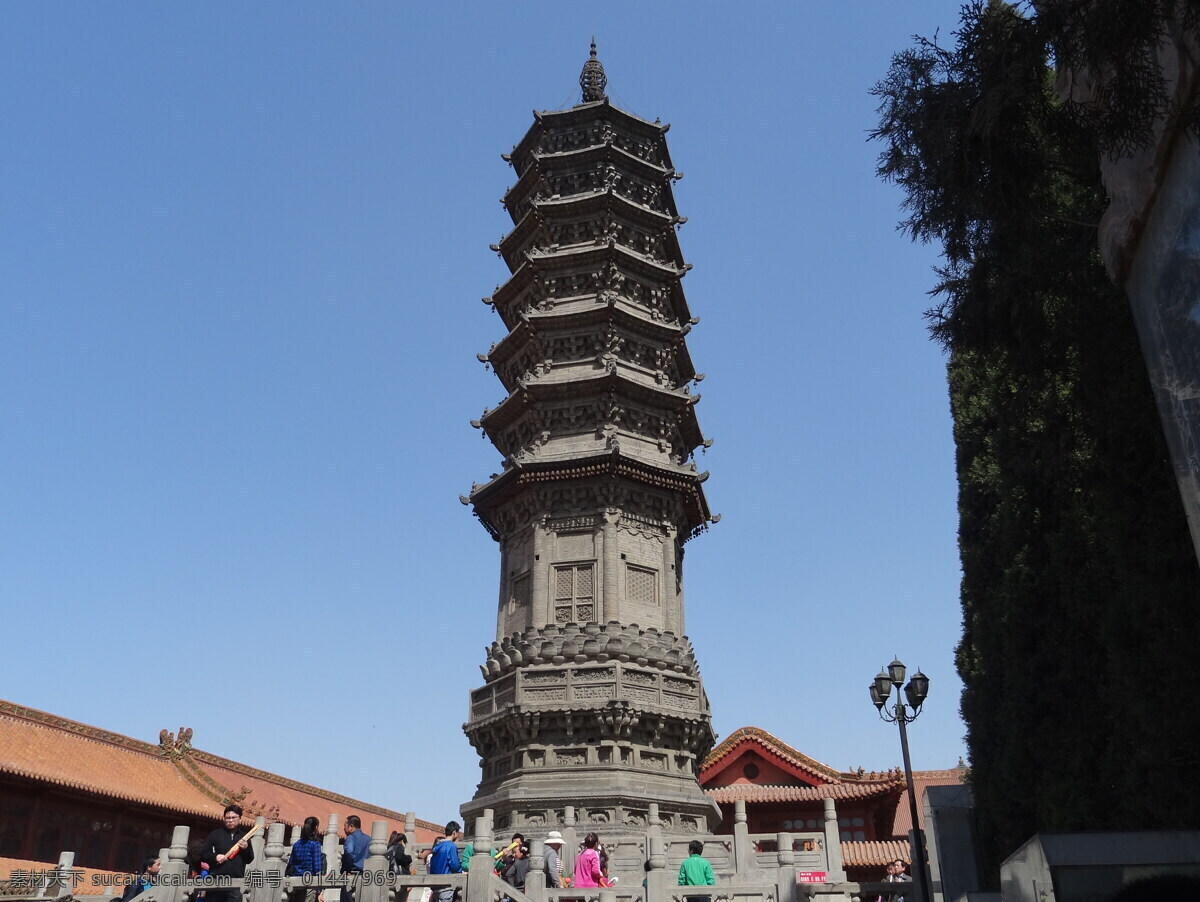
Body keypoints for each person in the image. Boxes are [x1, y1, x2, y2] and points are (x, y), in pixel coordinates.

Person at [202, 805, 256, 902]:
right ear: (224, 819)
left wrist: (246, 848)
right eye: (227, 818)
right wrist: (215, 857)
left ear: (240, 819)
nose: (230, 820)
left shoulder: (244, 837)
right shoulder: (215, 834)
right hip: (216, 879)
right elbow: (203, 854)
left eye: (233, 817)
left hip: (236, 880)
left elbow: (249, 859)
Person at [289, 817, 326, 902]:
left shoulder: (297, 844)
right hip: (310, 883)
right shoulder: (315, 844)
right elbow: (317, 868)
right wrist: (319, 890)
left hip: (296, 882)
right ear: (316, 827)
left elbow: (291, 864)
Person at [426, 821, 464, 902]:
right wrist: (461, 870)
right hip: (446, 885)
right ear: (454, 832)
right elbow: (455, 866)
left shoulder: (437, 846)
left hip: (435, 884)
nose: (458, 836)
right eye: (458, 833)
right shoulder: (451, 846)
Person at [341, 817, 370, 902]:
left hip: (352, 874)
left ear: (351, 826)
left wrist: (348, 868)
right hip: (366, 876)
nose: (344, 828)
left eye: (345, 825)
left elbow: (349, 852)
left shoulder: (351, 838)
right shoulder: (369, 839)